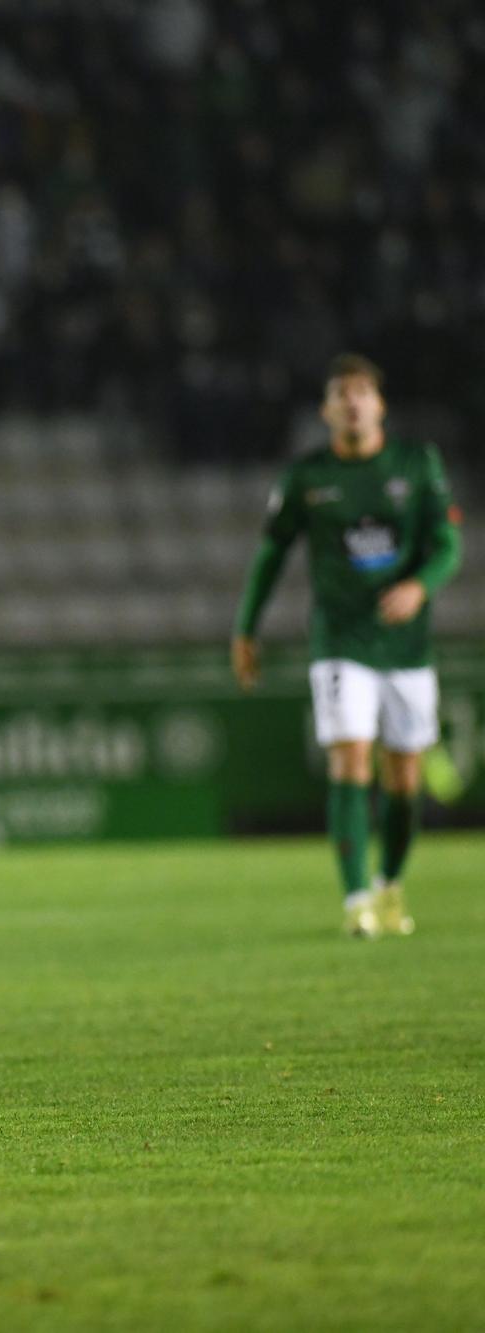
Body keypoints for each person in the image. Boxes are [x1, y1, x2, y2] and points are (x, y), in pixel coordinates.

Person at [232, 353, 462, 937]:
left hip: (406, 646)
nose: (353, 401)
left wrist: (419, 585)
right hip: (339, 641)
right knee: (351, 758)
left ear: (380, 404)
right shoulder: (307, 478)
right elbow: (270, 555)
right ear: (327, 410)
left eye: (363, 392)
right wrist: (245, 628)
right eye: (342, 393)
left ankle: (389, 886)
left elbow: (447, 543)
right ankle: (355, 898)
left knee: (404, 779)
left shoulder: (417, 463)